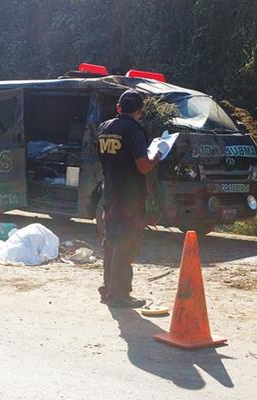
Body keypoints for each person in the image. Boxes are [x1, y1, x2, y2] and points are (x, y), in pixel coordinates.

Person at [97, 90, 161, 308]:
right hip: (130, 198)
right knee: (126, 244)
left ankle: (108, 289)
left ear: (118, 107)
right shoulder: (134, 131)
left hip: (110, 194)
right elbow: (143, 165)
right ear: (140, 111)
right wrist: (156, 156)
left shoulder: (104, 128)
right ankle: (120, 294)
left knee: (111, 242)